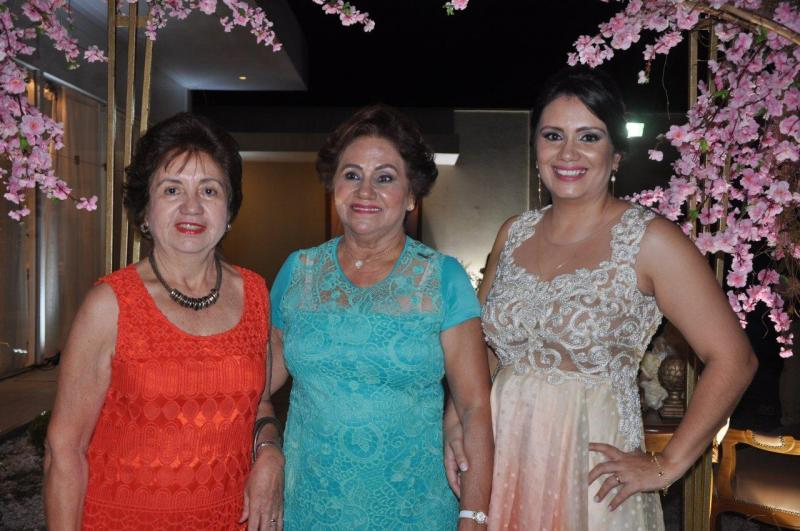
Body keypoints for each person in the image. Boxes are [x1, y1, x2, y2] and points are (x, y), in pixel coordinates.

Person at [445, 66, 758, 530]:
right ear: (536, 147)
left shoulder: (650, 240)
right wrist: (456, 422)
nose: (568, 153)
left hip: (592, 475)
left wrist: (667, 465)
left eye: (588, 137)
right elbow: (484, 349)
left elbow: (734, 359)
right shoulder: (513, 233)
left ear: (615, 156)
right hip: (505, 461)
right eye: (553, 135)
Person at [251, 105, 494, 530]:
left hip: (414, 510)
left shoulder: (442, 278)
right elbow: (254, 382)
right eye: (352, 175)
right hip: (310, 506)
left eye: (385, 178)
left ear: (412, 194)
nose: (365, 191)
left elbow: (474, 406)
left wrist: (473, 515)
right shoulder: (299, 271)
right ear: (333, 186)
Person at [44, 112, 270, 530]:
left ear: (229, 210)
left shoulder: (254, 294)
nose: (192, 206)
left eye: (209, 190)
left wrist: (270, 452)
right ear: (145, 211)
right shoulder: (110, 304)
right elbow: (65, 449)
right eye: (171, 189)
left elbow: (260, 402)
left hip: (227, 520)